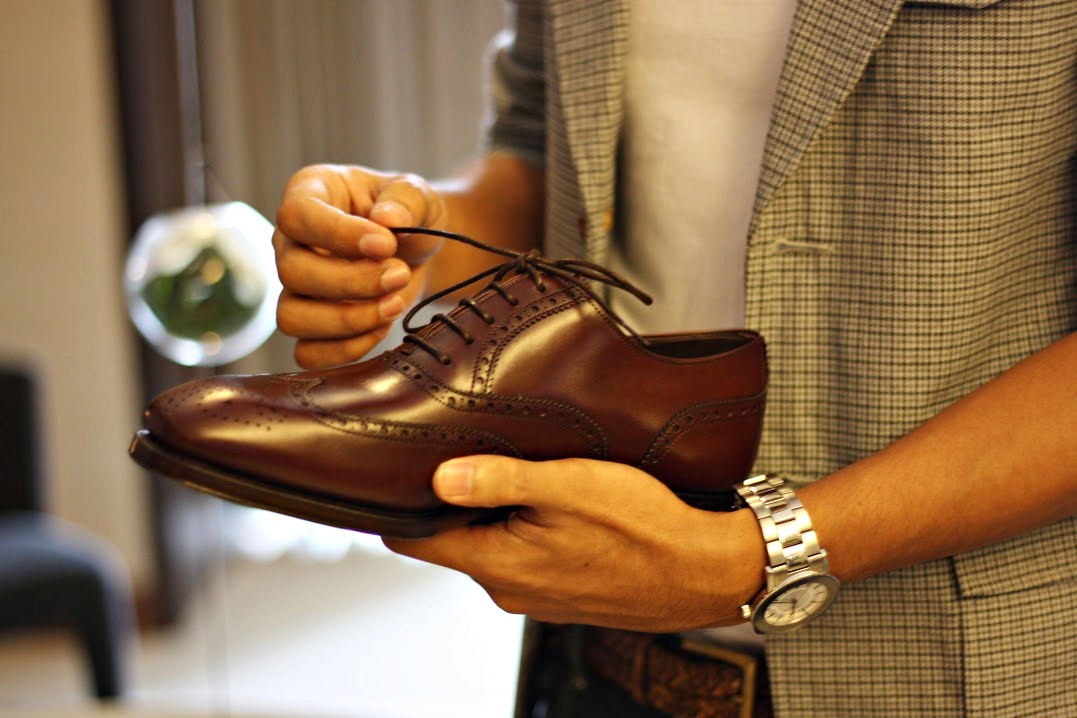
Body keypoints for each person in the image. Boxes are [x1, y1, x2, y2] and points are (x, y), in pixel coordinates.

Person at [269, 1, 1076, 716]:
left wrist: (753, 557)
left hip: (960, 675)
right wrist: (422, 236)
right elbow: (542, 143)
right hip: (595, 655)